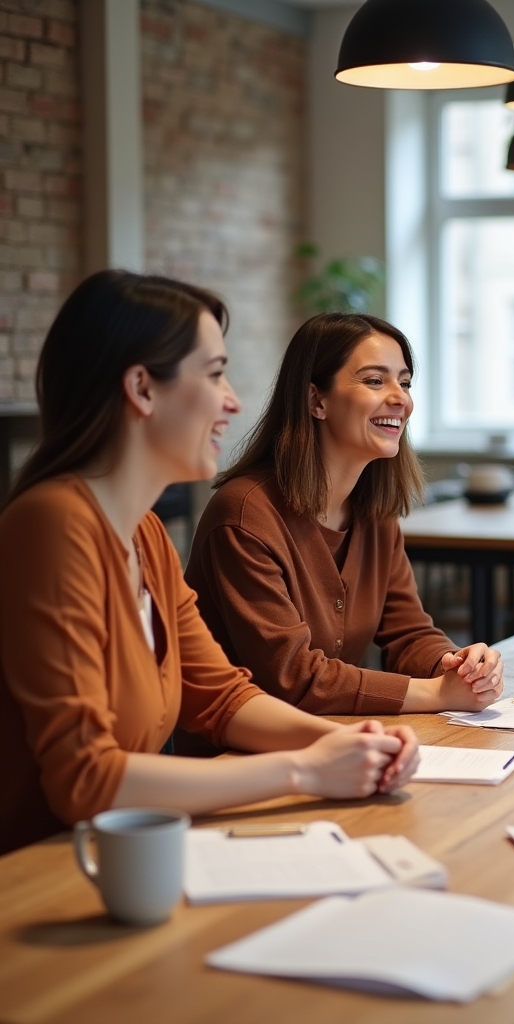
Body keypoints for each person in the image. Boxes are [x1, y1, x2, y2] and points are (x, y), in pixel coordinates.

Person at [0, 271, 419, 857]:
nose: (233, 400)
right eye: (214, 373)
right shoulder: (53, 523)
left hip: (128, 853)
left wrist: (352, 744)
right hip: (39, 874)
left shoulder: (143, 532)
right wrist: (303, 770)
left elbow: (220, 696)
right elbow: (85, 781)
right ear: (143, 389)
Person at [184, 312, 503, 717]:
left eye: (404, 382)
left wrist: (456, 666)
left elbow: (408, 632)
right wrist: (438, 694)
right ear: (316, 400)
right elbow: (292, 678)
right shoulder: (246, 515)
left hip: (342, 742)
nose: (400, 398)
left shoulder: (375, 513)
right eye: (374, 380)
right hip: (239, 764)